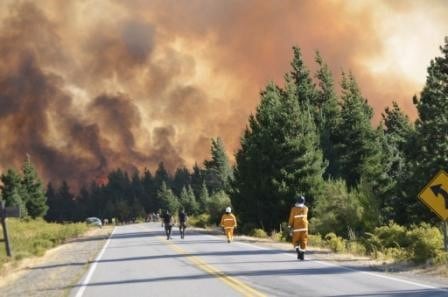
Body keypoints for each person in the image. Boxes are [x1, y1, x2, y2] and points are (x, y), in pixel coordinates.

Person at [288, 195, 308, 260]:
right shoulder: (306, 208)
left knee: (295, 241)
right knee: (304, 241)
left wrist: (289, 226)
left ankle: (298, 252)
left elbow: (291, 218)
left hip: (297, 228)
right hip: (305, 227)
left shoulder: (293, 209)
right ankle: (302, 255)